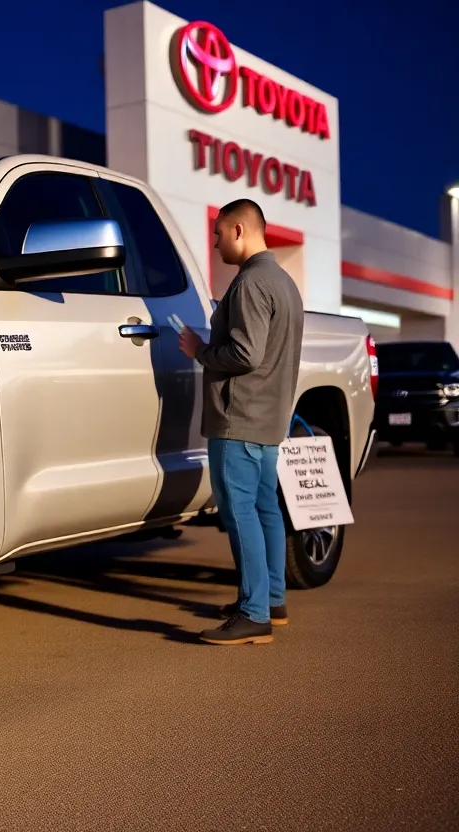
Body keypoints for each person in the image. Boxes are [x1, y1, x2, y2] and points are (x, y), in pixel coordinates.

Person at [178, 198, 305, 646]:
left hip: (239, 419)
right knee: (266, 509)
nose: (214, 243)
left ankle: (254, 616)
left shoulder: (251, 284)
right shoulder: (284, 282)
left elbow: (245, 354)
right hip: (268, 421)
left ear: (237, 230)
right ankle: (271, 601)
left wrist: (198, 351)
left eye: (217, 234)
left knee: (242, 514)